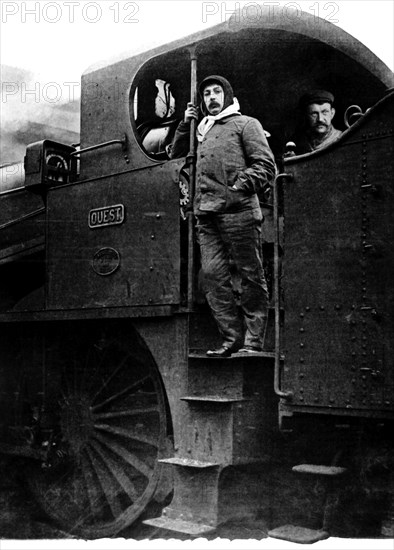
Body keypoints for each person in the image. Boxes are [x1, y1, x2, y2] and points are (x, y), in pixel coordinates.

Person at [170, 75, 276, 357]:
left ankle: (253, 341)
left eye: (217, 92)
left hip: (239, 211)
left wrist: (237, 187)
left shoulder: (245, 124)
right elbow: (175, 153)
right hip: (206, 216)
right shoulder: (200, 129)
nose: (212, 98)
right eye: (206, 94)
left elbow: (265, 166)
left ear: (227, 96)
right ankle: (231, 338)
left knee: (250, 275)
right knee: (213, 277)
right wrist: (185, 123)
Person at [288, 90, 342, 156]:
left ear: (332, 113)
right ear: (305, 115)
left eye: (325, 112)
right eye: (314, 114)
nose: (320, 119)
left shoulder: (342, 138)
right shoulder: (298, 142)